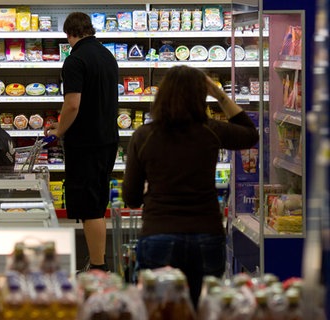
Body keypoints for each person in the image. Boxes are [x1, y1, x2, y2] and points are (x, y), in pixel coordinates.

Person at [122, 65, 259, 308]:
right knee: (204, 310)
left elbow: (131, 197)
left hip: (158, 234)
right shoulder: (210, 130)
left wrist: (154, 196)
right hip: (206, 234)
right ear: (200, 96)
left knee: (160, 312)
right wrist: (220, 95)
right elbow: (250, 134)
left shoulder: (144, 136)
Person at [44, 12, 119, 272]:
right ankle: (97, 262)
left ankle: (98, 267)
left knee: (91, 208)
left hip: (86, 144)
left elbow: (73, 105)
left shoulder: (74, 60)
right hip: (106, 139)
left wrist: (59, 131)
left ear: (69, 34)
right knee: (96, 201)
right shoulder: (107, 56)